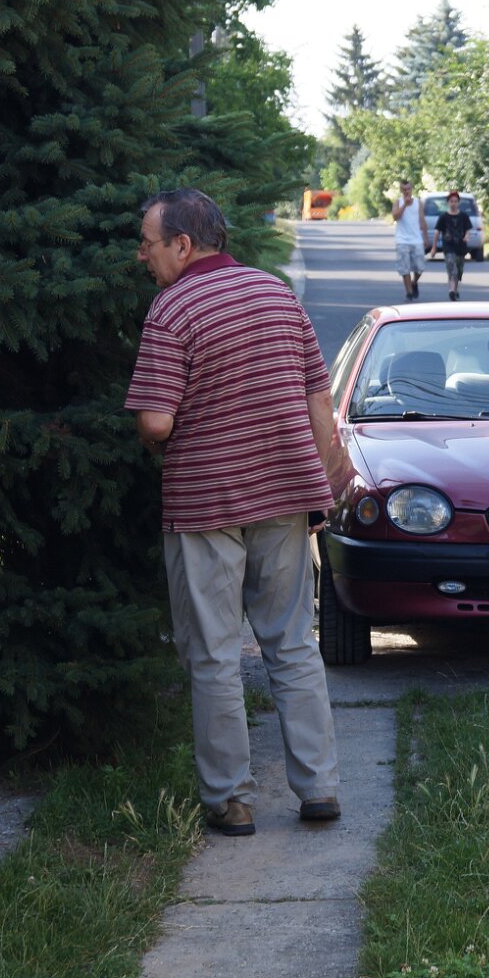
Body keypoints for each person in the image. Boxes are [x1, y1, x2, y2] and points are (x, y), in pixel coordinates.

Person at [125, 188, 345, 836]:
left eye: (148, 243)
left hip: (206, 505)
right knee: (293, 645)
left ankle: (231, 802)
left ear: (183, 244)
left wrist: (152, 442)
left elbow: (156, 422)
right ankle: (319, 788)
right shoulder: (278, 294)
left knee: (215, 654)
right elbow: (319, 404)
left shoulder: (173, 307)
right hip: (285, 495)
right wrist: (323, 487)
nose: (142, 255)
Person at [390, 179, 430, 301]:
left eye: (408, 189)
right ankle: (409, 292)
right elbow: (395, 217)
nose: (407, 191)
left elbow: (422, 220)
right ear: (401, 191)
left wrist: (426, 237)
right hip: (402, 240)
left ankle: (414, 282)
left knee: (420, 267)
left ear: (412, 189)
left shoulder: (418, 203)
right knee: (405, 267)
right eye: (404, 189)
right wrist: (404, 205)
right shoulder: (398, 202)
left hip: (416, 239)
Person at [432, 191, 472, 301]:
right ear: (448, 203)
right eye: (451, 201)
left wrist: (467, 236)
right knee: (452, 268)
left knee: (459, 271)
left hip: (461, 247)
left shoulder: (463, 216)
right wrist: (434, 247)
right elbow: (437, 232)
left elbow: (468, 229)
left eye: (455, 201)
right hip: (448, 247)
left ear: (458, 202)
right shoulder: (443, 217)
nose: (453, 203)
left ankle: (455, 289)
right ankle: (452, 291)